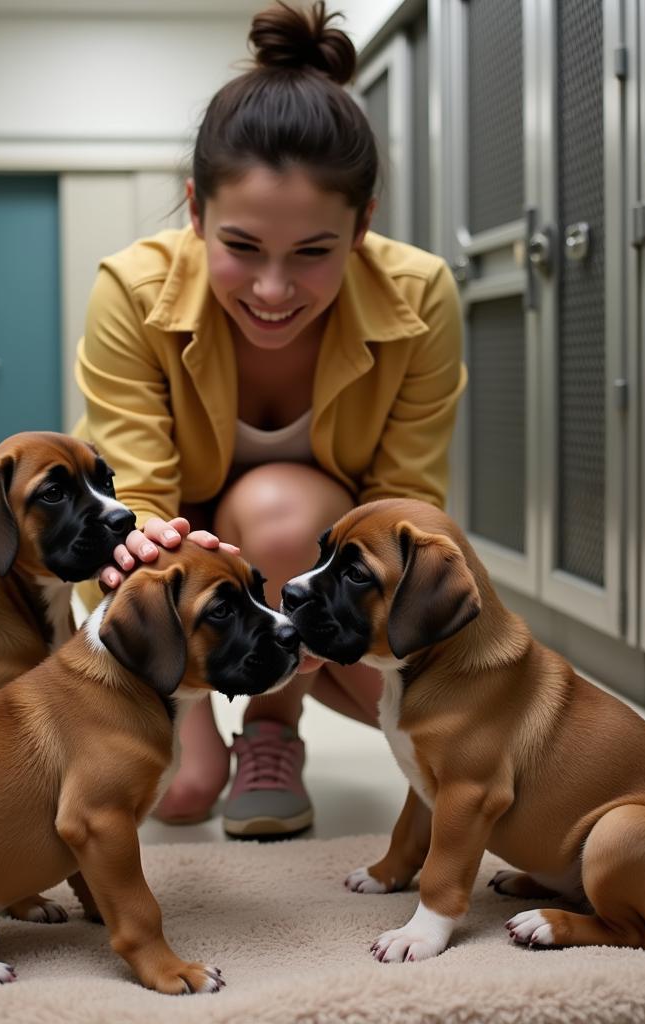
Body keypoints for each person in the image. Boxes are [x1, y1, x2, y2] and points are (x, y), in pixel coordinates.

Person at [74, 1, 465, 839]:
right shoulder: (132, 289)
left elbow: (402, 508)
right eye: (242, 247)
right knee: (178, 793)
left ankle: (271, 731)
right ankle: (193, 721)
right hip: (190, 574)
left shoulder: (422, 293)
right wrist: (181, 659)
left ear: (363, 225)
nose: (274, 292)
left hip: (314, 564)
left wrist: (357, 627)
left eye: (314, 252)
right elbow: (134, 503)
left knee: (462, 721)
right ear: (195, 211)